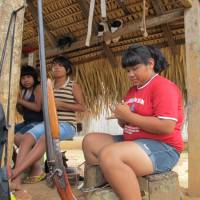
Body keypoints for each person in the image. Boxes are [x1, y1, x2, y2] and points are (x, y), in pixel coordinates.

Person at [82, 44, 183, 200]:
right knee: (90, 141)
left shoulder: (163, 87)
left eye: (135, 68)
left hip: (163, 148)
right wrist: (122, 119)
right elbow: (127, 124)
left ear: (150, 64)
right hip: (134, 142)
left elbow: (167, 127)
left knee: (110, 154)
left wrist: (128, 116)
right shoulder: (132, 90)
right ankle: (110, 184)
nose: (130, 74)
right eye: (128, 70)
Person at [11, 56, 86, 199]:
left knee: (46, 137)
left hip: (66, 125)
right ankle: (17, 180)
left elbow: (82, 107)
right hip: (48, 123)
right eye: (54, 65)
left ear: (67, 69)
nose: (56, 67)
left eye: (60, 65)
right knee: (27, 137)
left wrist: (62, 104)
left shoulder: (73, 85)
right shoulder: (47, 86)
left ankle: (16, 172)